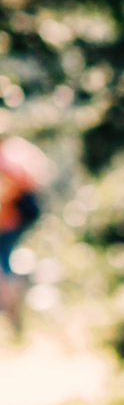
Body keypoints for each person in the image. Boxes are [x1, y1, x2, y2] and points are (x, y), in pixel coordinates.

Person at [0, 136, 49, 346]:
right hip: (20, 215)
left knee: (3, 264)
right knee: (5, 262)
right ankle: (13, 311)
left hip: (14, 217)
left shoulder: (7, 158)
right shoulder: (15, 150)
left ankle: (11, 307)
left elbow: (11, 189)